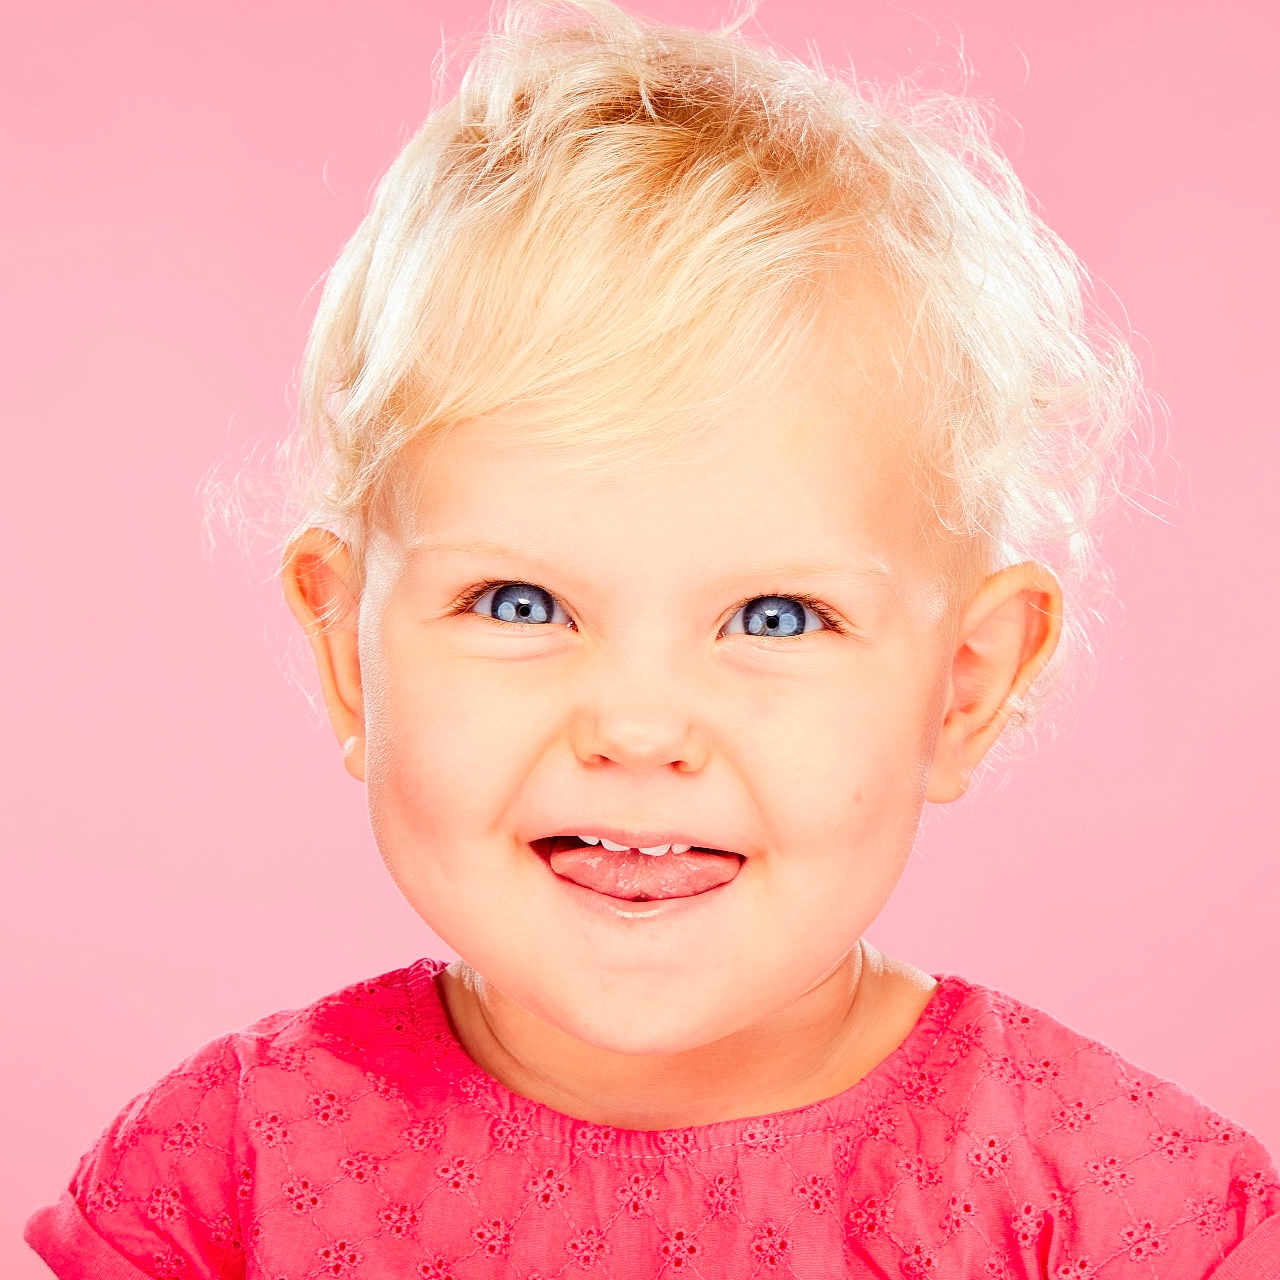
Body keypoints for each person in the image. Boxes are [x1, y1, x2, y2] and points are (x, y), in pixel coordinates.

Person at [25, 0, 1279, 1274]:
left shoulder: (1116, 1218)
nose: (635, 723)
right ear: (350, 646)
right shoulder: (223, 1182)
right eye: (521, 603)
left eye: (774, 616)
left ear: (963, 683)